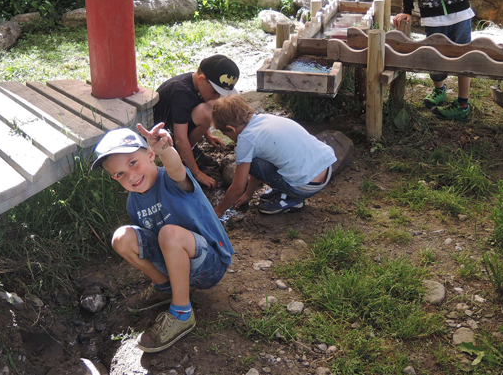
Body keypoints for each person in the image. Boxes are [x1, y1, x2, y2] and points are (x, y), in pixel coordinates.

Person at [91, 124, 234, 353]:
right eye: (120, 174)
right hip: (176, 261)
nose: (131, 175)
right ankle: (165, 287)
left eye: (133, 163)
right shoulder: (133, 203)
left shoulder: (171, 179)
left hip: (209, 264)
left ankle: (182, 313)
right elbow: (148, 242)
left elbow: (175, 166)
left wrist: (165, 150)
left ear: (150, 155)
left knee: (169, 233)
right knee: (121, 238)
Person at [211, 95, 336, 216]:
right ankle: (288, 192)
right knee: (256, 158)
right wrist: (248, 195)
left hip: (304, 186)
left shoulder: (246, 140)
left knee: (251, 162)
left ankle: (292, 199)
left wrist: (219, 211)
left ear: (231, 129)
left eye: (226, 134)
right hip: (326, 170)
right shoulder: (264, 118)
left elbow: (238, 188)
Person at [153, 54, 240, 188]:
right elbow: (180, 138)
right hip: (165, 138)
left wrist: (208, 135)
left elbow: (194, 107)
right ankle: (184, 158)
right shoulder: (182, 92)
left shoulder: (197, 85)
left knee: (211, 106)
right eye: (215, 91)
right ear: (201, 80)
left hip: (179, 125)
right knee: (207, 111)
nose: (217, 96)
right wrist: (197, 173)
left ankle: (191, 151)